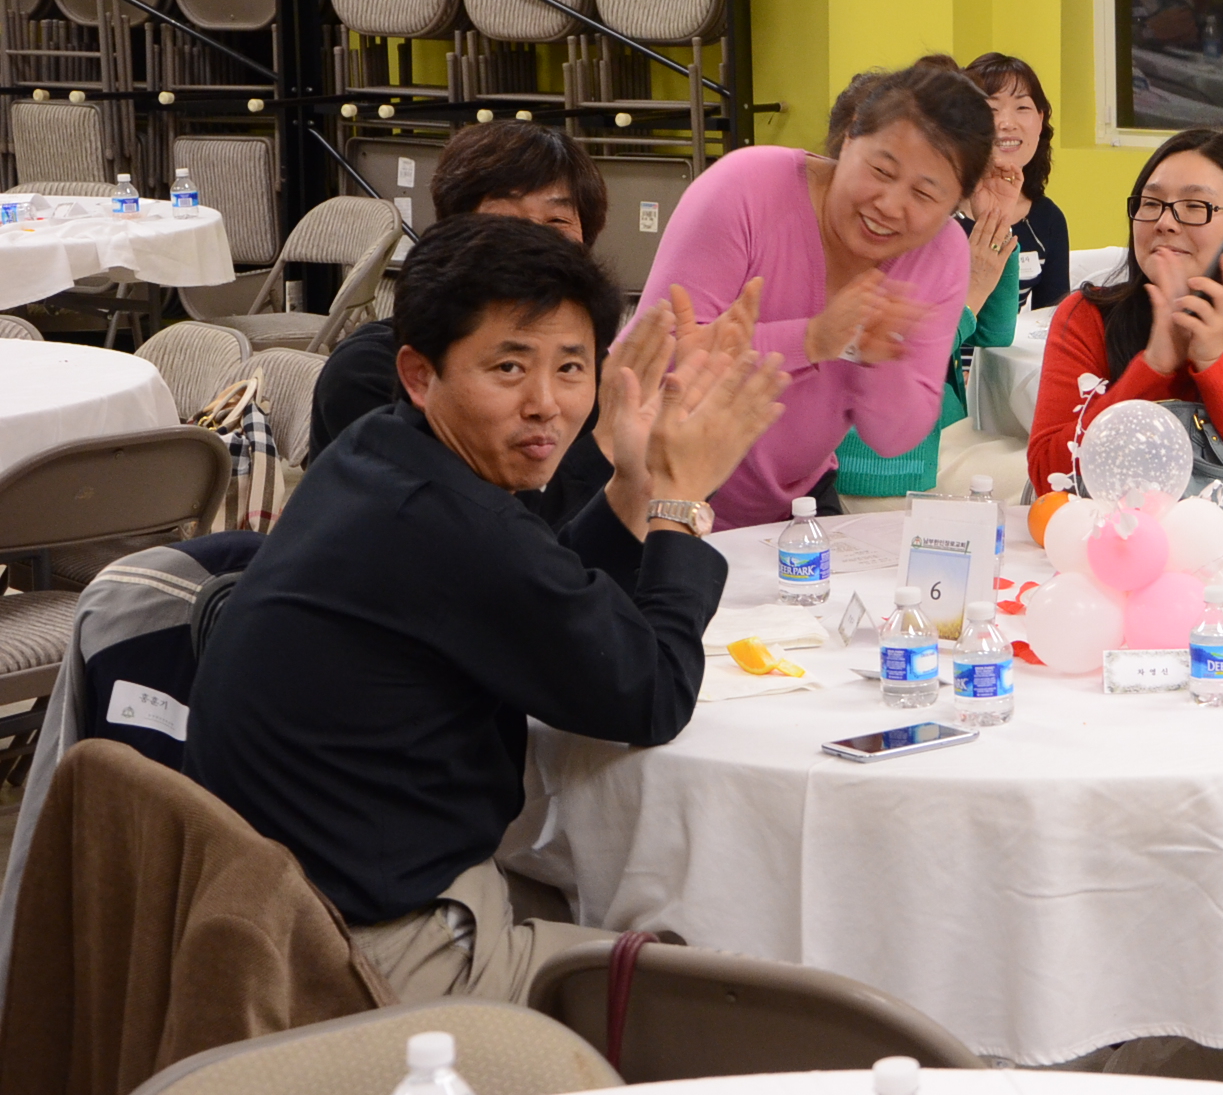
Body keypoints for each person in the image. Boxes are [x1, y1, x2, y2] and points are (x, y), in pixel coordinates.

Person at [186, 214, 787, 1003]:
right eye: (509, 367)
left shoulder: (381, 455)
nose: (546, 404)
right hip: (362, 950)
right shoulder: (447, 522)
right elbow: (652, 695)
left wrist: (636, 485)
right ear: (419, 373)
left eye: (571, 368)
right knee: (727, 992)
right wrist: (680, 502)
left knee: (630, 903)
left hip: (281, 902)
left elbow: (536, 591)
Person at [633, 60, 994, 529]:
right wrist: (812, 339)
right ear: (849, 138)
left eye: (925, 196)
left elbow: (893, 439)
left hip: (793, 509)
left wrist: (881, 362)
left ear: (956, 203)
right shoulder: (746, 186)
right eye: (881, 170)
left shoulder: (940, 254)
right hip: (654, 496)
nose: (890, 206)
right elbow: (651, 365)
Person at [308, 121, 621, 527]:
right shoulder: (370, 369)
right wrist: (607, 449)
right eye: (505, 222)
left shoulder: (586, 368)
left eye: (556, 223)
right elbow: (487, 535)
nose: (532, 244)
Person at [1027, 129, 1223, 506]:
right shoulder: (1086, 315)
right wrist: (1154, 367)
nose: (1165, 222)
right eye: (1151, 203)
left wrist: (1213, 364)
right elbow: (1051, 478)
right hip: (1113, 537)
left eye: (1195, 206)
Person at [830, 76, 1023, 506]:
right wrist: (972, 294)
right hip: (885, 466)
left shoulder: (926, 234)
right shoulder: (845, 241)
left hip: (947, 438)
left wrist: (993, 221)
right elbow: (893, 352)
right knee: (1054, 476)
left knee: (1057, 462)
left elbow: (996, 333)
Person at [965, 51, 1071, 310]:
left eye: (1022, 108)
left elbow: (1050, 320)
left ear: (1040, 120)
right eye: (991, 109)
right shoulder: (935, 211)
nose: (1007, 123)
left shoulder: (1048, 219)